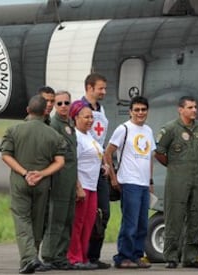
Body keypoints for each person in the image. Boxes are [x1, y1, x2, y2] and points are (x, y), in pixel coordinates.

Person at [0, 95, 66, 274]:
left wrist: (25, 173)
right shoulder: (54, 135)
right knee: (38, 220)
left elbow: (6, 155)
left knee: (22, 219)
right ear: (46, 111)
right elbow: (59, 162)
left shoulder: (13, 130)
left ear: (28, 110)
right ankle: (32, 256)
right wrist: (41, 174)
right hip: (42, 183)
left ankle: (29, 258)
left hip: (21, 181)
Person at [154, 95, 198, 269]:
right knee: (174, 216)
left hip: (197, 176)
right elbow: (159, 152)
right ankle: (171, 256)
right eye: (190, 107)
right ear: (180, 109)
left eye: (195, 107)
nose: (194, 110)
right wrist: (173, 165)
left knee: (197, 216)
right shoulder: (170, 128)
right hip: (177, 177)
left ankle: (191, 256)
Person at [104, 96, 156, 268]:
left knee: (142, 222)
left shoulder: (148, 130)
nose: (140, 113)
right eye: (137, 110)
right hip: (129, 182)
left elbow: (150, 158)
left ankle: (137, 255)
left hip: (143, 184)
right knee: (130, 222)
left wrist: (150, 180)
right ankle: (123, 256)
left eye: (143, 109)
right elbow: (108, 152)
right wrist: (113, 177)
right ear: (130, 111)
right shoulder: (123, 129)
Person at [66, 100, 108, 270]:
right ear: (76, 118)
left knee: (89, 224)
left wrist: (104, 165)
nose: (90, 120)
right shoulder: (76, 137)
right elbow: (73, 164)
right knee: (77, 224)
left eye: (91, 117)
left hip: (92, 186)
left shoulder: (89, 136)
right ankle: (74, 257)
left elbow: (99, 153)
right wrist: (78, 187)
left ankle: (83, 256)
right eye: (86, 117)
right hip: (82, 186)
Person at [40, 91, 78, 270]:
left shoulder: (69, 124)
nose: (63, 106)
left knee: (67, 219)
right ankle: (49, 256)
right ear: (54, 105)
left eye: (66, 103)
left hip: (70, 180)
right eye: (59, 103)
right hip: (59, 179)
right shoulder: (53, 125)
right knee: (55, 219)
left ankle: (61, 256)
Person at [82, 73, 112, 269]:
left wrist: (105, 163)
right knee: (84, 215)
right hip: (84, 171)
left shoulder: (101, 110)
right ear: (89, 88)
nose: (104, 92)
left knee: (103, 213)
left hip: (99, 170)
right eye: (100, 88)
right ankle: (81, 255)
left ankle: (93, 255)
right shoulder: (79, 108)